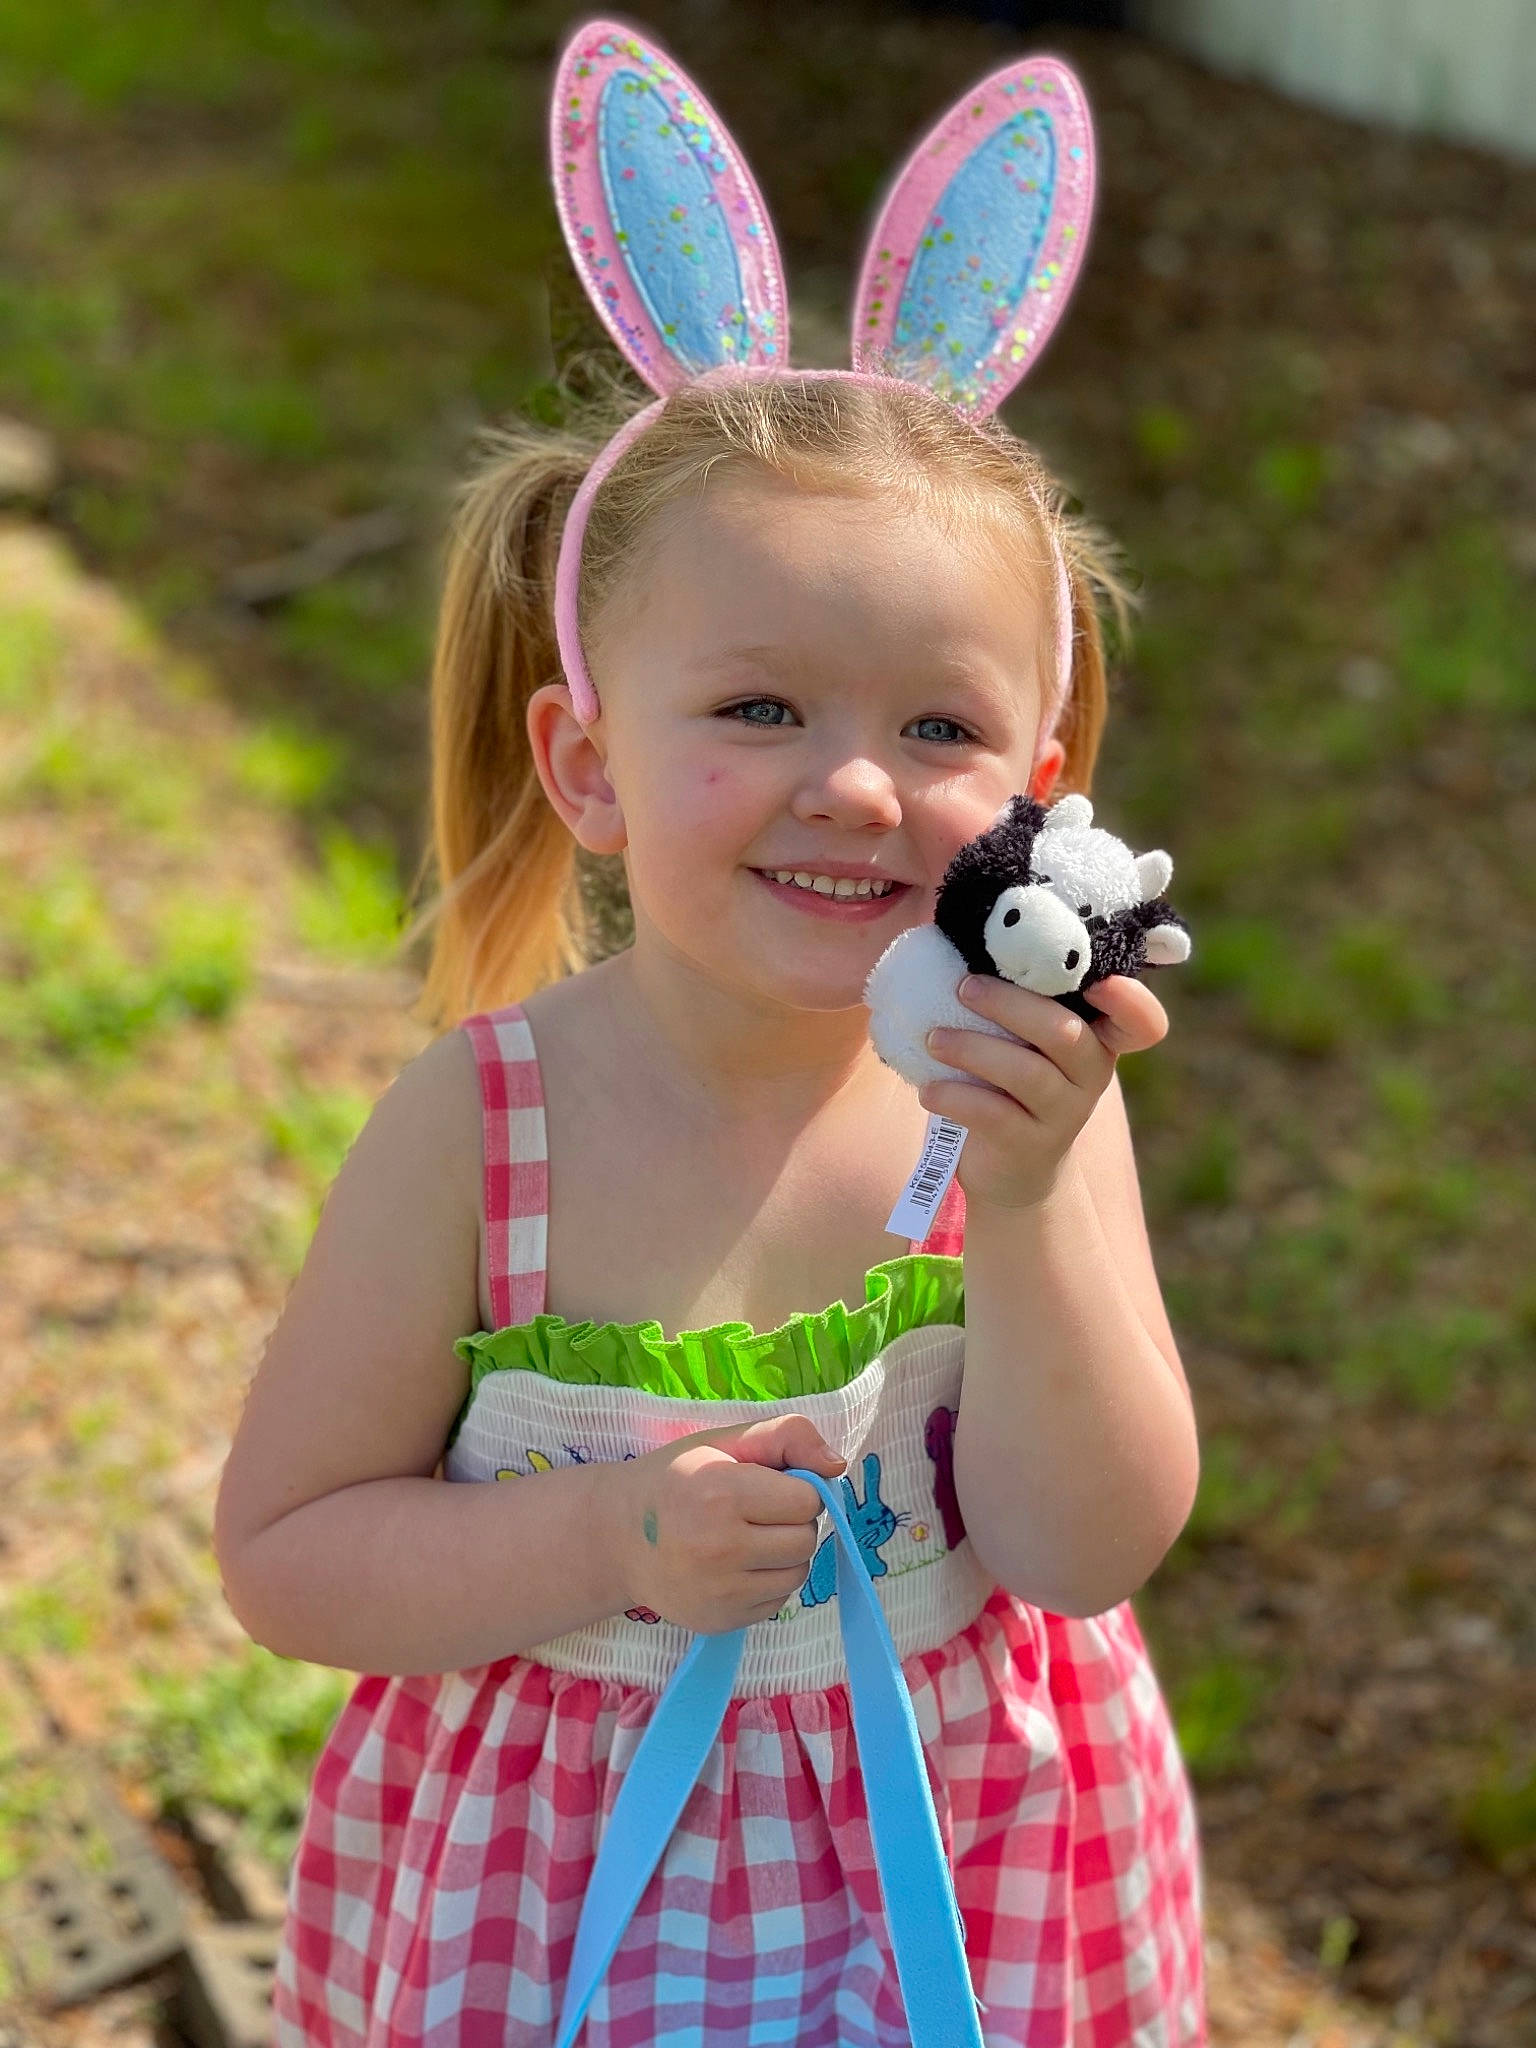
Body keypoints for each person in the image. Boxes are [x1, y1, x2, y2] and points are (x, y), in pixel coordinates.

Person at [215, 24, 1205, 2047]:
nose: (854, 787)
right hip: (569, 1892)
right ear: (587, 763)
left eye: (936, 727)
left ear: (1050, 775)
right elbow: (290, 1555)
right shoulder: (486, 1129)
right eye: (760, 710)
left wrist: (1025, 1206)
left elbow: (1085, 1546)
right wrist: (608, 1535)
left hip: (974, 1861)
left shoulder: (1021, 1108)